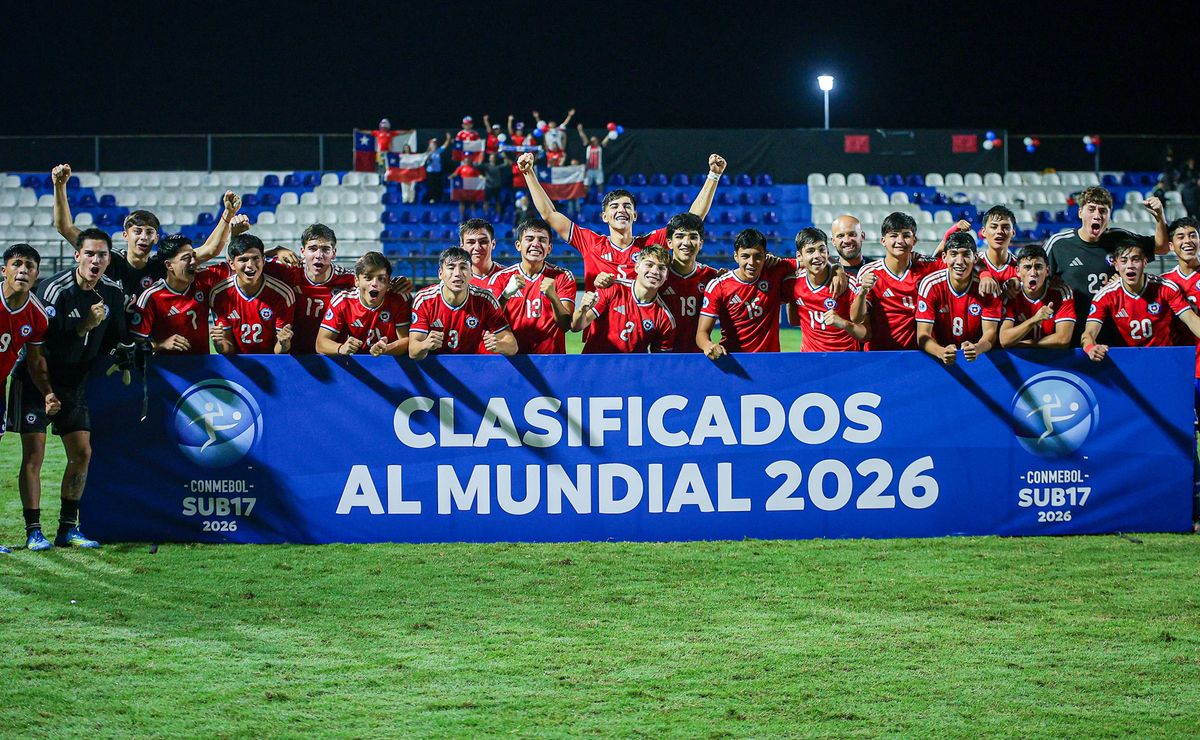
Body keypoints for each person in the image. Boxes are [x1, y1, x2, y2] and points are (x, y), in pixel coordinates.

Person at [9, 228, 128, 551]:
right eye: (89, 253)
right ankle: (34, 530)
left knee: (82, 453)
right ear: (77, 255)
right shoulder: (54, 290)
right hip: (36, 380)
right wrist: (83, 327)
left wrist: (129, 351)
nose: (96, 260)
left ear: (108, 259)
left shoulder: (113, 292)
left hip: (75, 384)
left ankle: (67, 529)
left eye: (102, 255)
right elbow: (39, 347)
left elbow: (118, 336)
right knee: (34, 456)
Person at [518, 151, 726, 290]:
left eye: (627, 206)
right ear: (604, 216)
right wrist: (529, 173)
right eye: (614, 207)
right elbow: (549, 214)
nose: (621, 210)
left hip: (639, 341)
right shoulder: (591, 243)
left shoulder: (650, 244)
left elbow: (692, 219)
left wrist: (713, 176)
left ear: (635, 215)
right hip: (600, 341)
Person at [52, 164, 241, 304]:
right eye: (137, 231)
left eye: (150, 232)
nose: (144, 237)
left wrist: (228, 214)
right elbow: (65, 228)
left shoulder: (162, 264)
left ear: (156, 238)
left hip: (149, 341)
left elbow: (209, 250)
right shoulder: (108, 259)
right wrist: (59, 186)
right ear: (125, 235)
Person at [1044, 186, 1167, 342]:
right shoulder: (1059, 243)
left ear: (1109, 215)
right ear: (1080, 212)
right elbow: (1036, 279)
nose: (1097, 215)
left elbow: (1162, 247)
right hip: (1071, 331)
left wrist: (1159, 217)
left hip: (1115, 331)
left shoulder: (1120, 238)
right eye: (1091, 209)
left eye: (1103, 211)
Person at [0, 245, 59, 552]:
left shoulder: (36, 315)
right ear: (4, 270)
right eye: (17, 264)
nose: (23, 270)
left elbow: (35, 361)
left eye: (30, 267)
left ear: (36, 275)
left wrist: (48, 392)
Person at [1081, 239, 1200, 359]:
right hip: (1128, 361)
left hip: (1165, 358)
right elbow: (1089, 332)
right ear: (1116, 265)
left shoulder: (1165, 288)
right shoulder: (1105, 296)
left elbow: (1191, 319)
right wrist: (1090, 348)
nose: (1130, 266)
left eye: (1135, 259)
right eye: (1124, 261)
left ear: (1145, 262)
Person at [697, 228, 795, 357]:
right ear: (736, 256)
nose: (751, 263)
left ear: (766, 256)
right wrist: (709, 345)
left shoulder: (775, 270)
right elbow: (701, 333)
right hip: (735, 360)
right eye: (745, 256)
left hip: (770, 361)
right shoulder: (719, 286)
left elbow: (811, 262)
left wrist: (832, 272)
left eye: (758, 256)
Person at [852, 212, 943, 351]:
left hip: (919, 355)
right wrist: (863, 291)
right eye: (893, 235)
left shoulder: (926, 268)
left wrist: (984, 274)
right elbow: (856, 318)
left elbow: (959, 262)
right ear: (883, 241)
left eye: (906, 235)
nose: (900, 241)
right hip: (880, 355)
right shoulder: (870, 272)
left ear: (915, 240)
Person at [488, 218, 577, 354]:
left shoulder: (563, 276)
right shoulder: (500, 278)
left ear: (549, 248)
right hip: (513, 360)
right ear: (518, 245)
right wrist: (505, 296)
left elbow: (565, 325)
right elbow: (489, 322)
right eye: (529, 239)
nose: (536, 244)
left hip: (552, 361)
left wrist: (553, 297)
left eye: (542, 240)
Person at [409, 247, 516, 359]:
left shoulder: (485, 300)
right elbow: (413, 352)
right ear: (440, 274)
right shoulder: (425, 299)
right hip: (435, 369)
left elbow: (512, 346)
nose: (457, 273)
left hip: (473, 367)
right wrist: (424, 345)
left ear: (471, 274)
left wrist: (499, 345)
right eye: (451, 267)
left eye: (463, 267)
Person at [914, 232, 1002, 365]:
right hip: (937, 361)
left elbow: (991, 333)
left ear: (975, 258)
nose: (960, 262)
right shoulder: (930, 285)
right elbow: (922, 335)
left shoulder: (988, 288)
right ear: (944, 257)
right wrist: (940, 351)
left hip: (979, 361)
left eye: (966, 255)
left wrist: (977, 348)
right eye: (954, 254)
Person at [572, 245, 675, 354]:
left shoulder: (665, 318)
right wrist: (582, 310)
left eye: (661, 268)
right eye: (649, 265)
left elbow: (660, 362)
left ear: (666, 275)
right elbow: (576, 326)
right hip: (594, 366)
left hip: (630, 370)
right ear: (636, 267)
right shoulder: (613, 289)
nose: (655, 271)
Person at [130, 235, 222, 355]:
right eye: (186, 258)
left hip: (202, 367)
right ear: (169, 265)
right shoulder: (151, 297)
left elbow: (234, 266)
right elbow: (135, 344)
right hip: (166, 369)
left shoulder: (202, 281)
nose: (194, 262)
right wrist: (161, 344)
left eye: (193, 256)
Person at [209, 234, 296, 355]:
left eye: (255, 258)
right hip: (239, 363)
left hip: (274, 363)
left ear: (264, 260)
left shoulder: (282, 294)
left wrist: (284, 344)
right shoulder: (220, 294)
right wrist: (219, 345)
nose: (250, 265)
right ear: (231, 264)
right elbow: (228, 348)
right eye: (243, 259)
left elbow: (279, 350)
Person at [316, 252, 410, 357]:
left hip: (390, 364)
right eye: (368, 278)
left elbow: (407, 341)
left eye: (381, 279)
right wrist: (341, 348)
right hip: (356, 366)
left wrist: (387, 348)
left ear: (389, 282)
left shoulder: (399, 299)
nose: (374, 283)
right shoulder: (343, 301)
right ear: (357, 281)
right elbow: (320, 343)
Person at [787, 228, 866, 352]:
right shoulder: (793, 283)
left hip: (845, 360)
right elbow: (794, 321)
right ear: (799, 256)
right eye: (810, 251)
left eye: (821, 250)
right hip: (811, 360)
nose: (817, 256)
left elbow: (865, 334)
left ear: (828, 252)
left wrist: (844, 324)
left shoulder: (847, 283)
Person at [658, 213, 720, 353]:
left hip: (700, 357)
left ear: (701, 243)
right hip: (662, 358)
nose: (686, 243)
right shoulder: (656, 276)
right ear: (669, 243)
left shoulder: (713, 277)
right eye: (679, 236)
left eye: (693, 237)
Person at [999, 245, 1076, 348]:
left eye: (1038, 267)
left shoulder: (1061, 293)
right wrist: (1034, 319)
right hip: (1019, 361)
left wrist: (1020, 344)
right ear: (1017, 271)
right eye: (1027, 267)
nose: (1033, 273)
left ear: (1047, 271)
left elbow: (1063, 340)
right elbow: (1004, 340)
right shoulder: (1011, 294)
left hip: (1053, 361)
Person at [577, 124, 609, 194]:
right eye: (591, 141)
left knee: (600, 184)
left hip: (598, 169)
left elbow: (605, 141)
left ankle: (600, 197)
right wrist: (580, 130)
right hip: (589, 170)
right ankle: (586, 198)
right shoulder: (588, 147)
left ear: (597, 141)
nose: (593, 142)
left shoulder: (600, 147)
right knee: (586, 184)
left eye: (594, 140)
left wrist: (610, 133)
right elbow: (583, 138)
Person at [481, 153, 509, 218]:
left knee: (498, 202)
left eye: (493, 157)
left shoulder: (498, 166)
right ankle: (485, 215)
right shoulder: (486, 166)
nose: (492, 158)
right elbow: (477, 165)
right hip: (488, 187)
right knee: (486, 201)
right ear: (489, 158)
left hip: (497, 187)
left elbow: (506, 164)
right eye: (491, 157)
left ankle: (498, 216)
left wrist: (504, 155)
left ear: (495, 159)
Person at [424, 135, 450, 204]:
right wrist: (428, 157)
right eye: (432, 144)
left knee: (438, 185)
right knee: (431, 186)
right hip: (430, 172)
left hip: (438, 171)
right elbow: (427, 162)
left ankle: (438, 198)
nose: (433, 145)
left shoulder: (438, 151)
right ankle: (431, 198)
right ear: (430, 145)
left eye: (434, 144)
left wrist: (448, 139)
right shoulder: (427, 153)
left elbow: (445, 145)